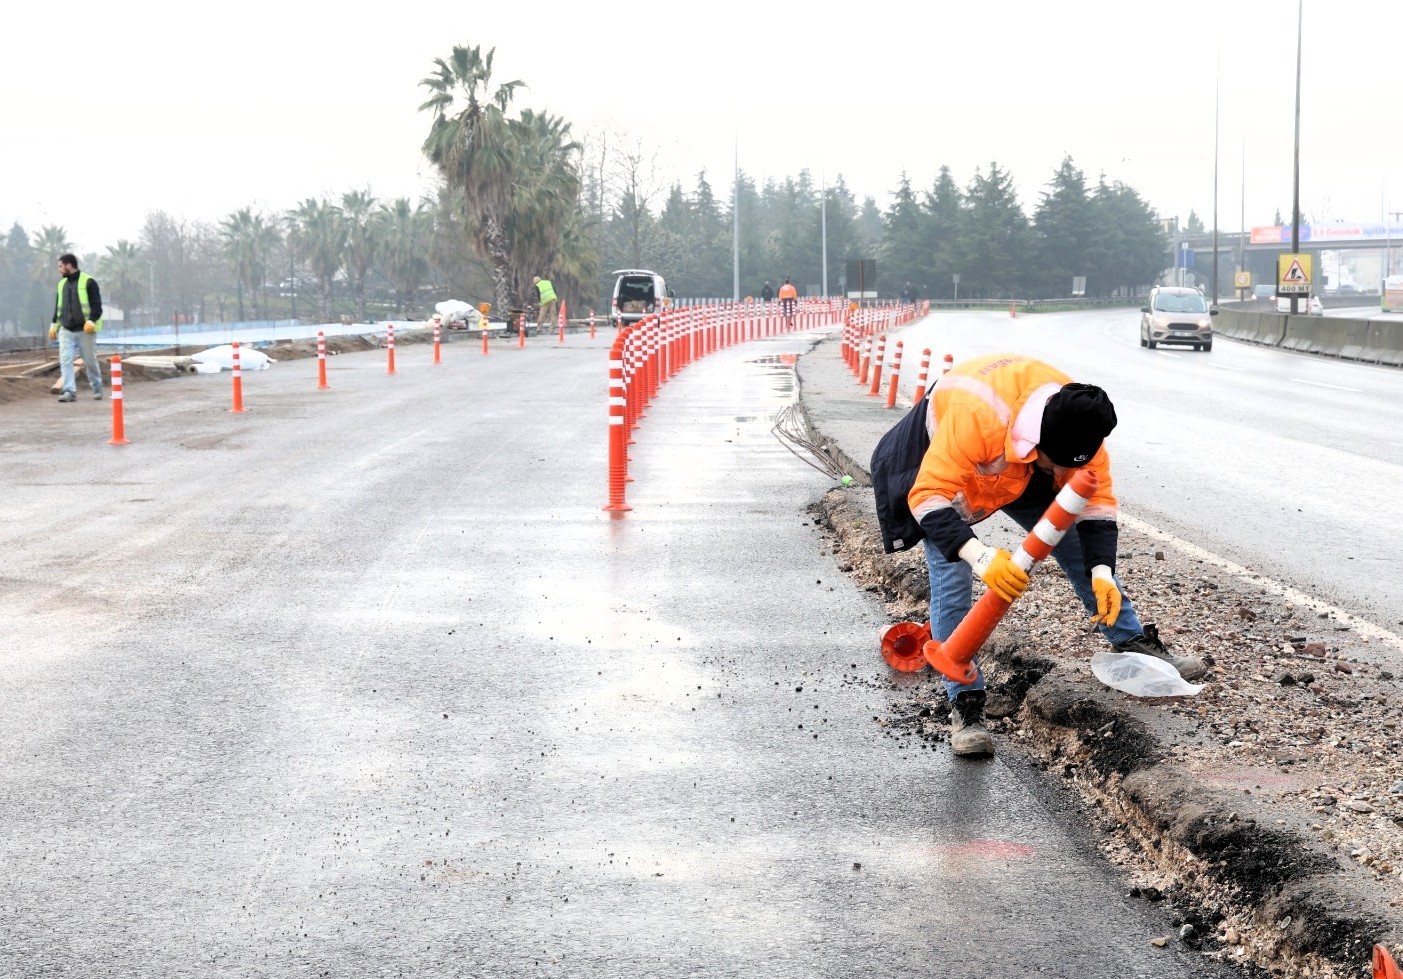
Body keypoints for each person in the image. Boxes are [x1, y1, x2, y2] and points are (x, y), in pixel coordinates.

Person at [870, 351, 1206, 758]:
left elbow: (1095, 505)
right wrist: (979, 556)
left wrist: (1101, 572)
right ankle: (965, 703)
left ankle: (1130, 638)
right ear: (1038, 443)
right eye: (1057, 464)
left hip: (1017, 466)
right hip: (946, 468)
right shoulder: (973, 417)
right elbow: (926, 497)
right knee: (951, 573)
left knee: (1074, 543)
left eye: (1070, 466)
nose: (1061, 473)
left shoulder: (1082, 424)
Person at [50, 253, 104, 402]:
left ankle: (97, 386)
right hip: (66, 330)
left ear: (69, 265)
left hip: (85, 330)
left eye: (60, 266)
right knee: (65, 359)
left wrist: (92, 321)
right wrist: (53, 325)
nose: (59, 269)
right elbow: (58, 308)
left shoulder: (88, 282)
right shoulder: (62, 285)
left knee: (89, 360)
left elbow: (96, 305)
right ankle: (69, 391)